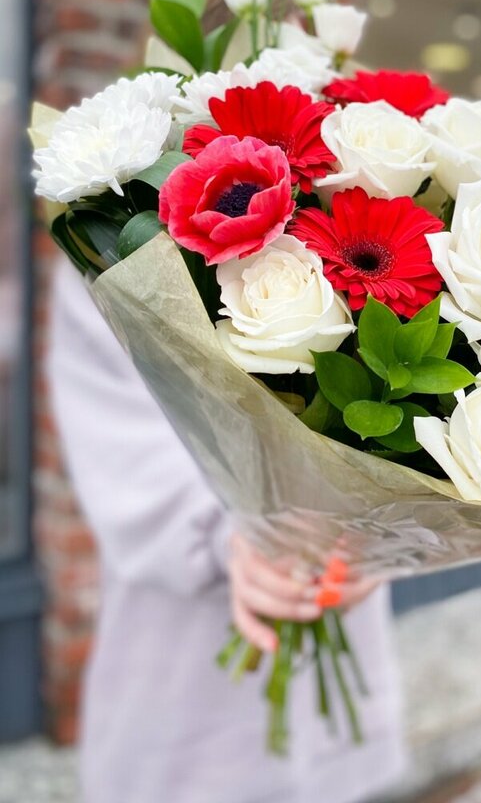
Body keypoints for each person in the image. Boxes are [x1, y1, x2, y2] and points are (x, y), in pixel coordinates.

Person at [46, 257, 406, 803]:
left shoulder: (336, 230)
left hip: (338, 651)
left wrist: (379, 533)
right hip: (182, 704)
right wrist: (233, 538)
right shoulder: (102, 254)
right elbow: (122, 454)